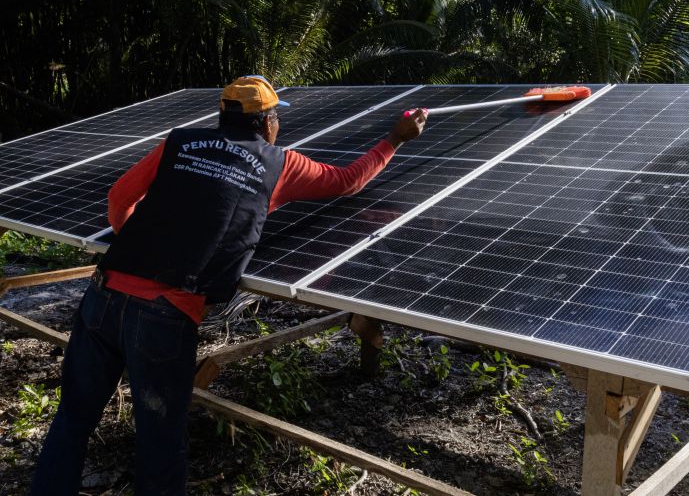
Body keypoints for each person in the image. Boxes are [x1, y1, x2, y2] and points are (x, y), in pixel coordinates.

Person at [30, 75, 428, 495]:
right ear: (267, 122)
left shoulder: (178, 144)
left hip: (104, 294)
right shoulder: (281, 163)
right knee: (159, 440)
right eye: (276, 118)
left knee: (73, 417)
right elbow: (348, 180)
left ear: (222, 115)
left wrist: (133, 244)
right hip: (165, 314)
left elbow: (118, 197)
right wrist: (394, 139)